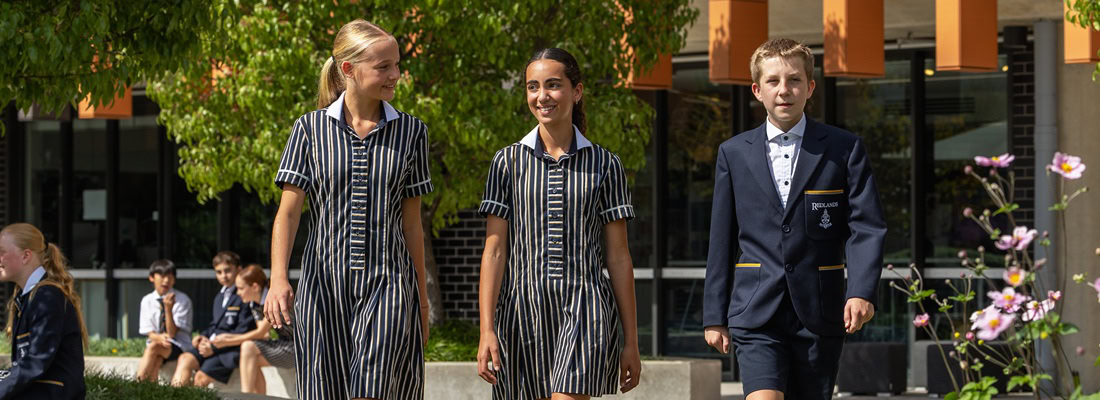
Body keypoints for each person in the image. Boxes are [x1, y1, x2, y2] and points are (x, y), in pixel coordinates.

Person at [702, 38, 887, 400]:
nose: (784, 90)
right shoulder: (733, 153)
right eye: (773, 81)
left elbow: (866, 226)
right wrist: (714, 315)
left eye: (794, 80)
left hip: (820, 311)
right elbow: (721, 238)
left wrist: (861, 291)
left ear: (810, 87)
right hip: (755, 310)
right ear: (757, 90)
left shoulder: (844, 148)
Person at [265, 19, 433, 400]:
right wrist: (278, 279)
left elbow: (412, 226)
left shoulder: (412, 133)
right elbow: (288, 214)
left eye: (396, 65)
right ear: (349, 69)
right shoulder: (308, 130)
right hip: (322, 288)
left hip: (389, 284)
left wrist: (421, 300)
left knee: (371, 390)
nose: (395, 75)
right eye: (384, 66)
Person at [475, 48, 642, 400]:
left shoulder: (605, 165)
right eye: (533, 87)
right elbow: (494, 251)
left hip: (585, 309)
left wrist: (631, 341)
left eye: (553, 85)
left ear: (576, 91)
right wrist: (486, 329)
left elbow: (618, 257)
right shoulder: (506, 162)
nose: (542, 96)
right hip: (521, 313)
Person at [0, 223, 88, 399]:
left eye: (2, 252)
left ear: (26, 256)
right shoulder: (29, 296)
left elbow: (35, 362)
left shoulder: (47, 297)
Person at [172, 251, 256, 387]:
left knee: (200, 379)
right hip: (212, 346)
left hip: (230, 350)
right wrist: (202, 337)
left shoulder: (245, 295)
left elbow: (244, 331)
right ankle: (174, 396)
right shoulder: (219, 297)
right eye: (219, 272)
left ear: (239, 269)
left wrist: (214, 347)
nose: (224, 276)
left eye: (228, 270)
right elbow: (215, 325)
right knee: (185, 358)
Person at [219, 264, 294, 395]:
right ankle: (255, 397)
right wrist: (229, 337)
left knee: (248, 347)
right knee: (251, 361)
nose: (237, 293)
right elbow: (263, 334)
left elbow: (260, 333)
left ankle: (245, 396)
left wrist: (227, 341)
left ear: (254, 287)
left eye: (240, 288)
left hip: (298, 347)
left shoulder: (273, 300)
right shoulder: (254, 305)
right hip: (284, 344)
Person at [136, 259, 194, 382]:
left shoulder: (182, 300)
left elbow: (172, 333)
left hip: (179, 345)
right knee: (156, 361)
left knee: (153, 347)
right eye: (162, 276)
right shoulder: (147, 300)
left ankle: (137, 384)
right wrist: (159, 338)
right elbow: (149, 333)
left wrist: (168, 309)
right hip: (159, 343)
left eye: (170, 277)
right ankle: (151, 390)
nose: (166, 280)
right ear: (152, 278)